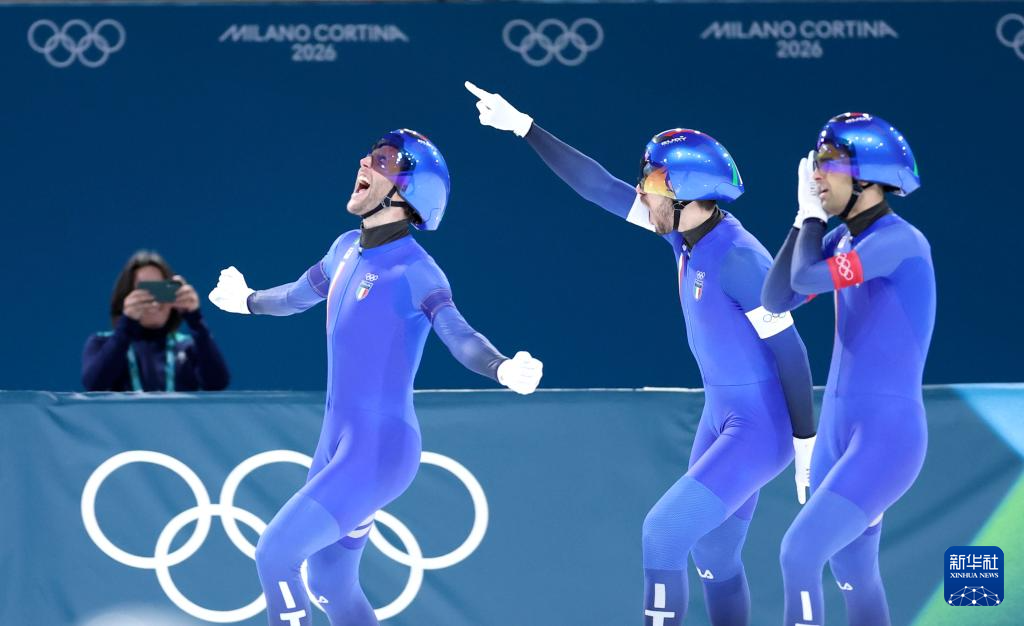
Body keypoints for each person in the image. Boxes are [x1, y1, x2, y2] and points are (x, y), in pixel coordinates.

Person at [466, 82, 813, 625]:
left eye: (651, 183)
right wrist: (526, 128)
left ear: (687, 195)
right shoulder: (685, 236)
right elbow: (599, 188)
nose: (640, 192)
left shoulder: (740, 259)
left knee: (663, 533)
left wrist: (805, 441)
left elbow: (791, 351)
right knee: (714, 555)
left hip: (759, 429)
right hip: (722, 418)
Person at [208, 128, 543, 626]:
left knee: (276, 554)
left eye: (382, 160)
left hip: (379, 451)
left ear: (408, 192)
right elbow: (298, 295)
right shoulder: (345, 248)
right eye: (369, 155)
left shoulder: (417, 270)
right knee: (329, 584)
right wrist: (248, 300)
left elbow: (458, 333)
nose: (364, 163)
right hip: (336, 445)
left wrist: (502, 367)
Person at [761, 112, 934, 626]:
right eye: (816, 162)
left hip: (887, 439)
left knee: (799, 554)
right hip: (840, 433)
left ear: (868, 178)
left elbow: (809, 276)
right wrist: (802, 220)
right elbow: (777, 298)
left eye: (829, 163)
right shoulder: (841, 241)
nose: (817, 175)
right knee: (853, 571)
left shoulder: (899, 242)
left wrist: (813, 221)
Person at [82, 250, 229, 392]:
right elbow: (94, 385)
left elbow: (217, 383)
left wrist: (195, 320)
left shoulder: (188, 346)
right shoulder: (101, 343)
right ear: (126, 298)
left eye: (161, 290)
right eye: (144, 291)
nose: (154, 302)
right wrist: (126, 324)